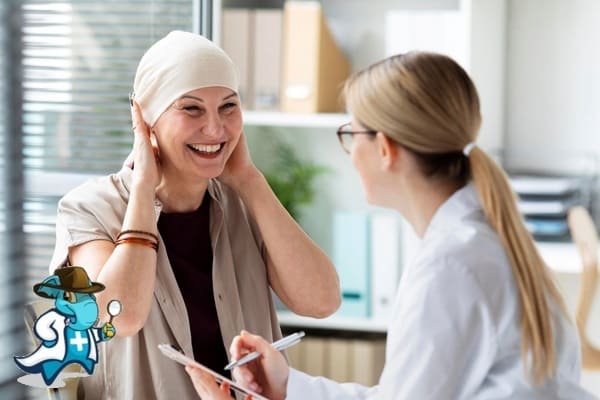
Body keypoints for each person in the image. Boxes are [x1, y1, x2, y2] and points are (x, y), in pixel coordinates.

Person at [187, 51, 595, 399]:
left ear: (385, 149)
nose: (350, 153)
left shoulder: (451, 267)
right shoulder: (481, 241)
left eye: (351, 134)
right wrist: (290, 384)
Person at [47, 30, 340, 399]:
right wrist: (142, 190)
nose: (215, 129)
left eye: (228, 107)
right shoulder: (91, 208)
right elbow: (120, 316)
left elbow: (322, 301)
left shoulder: (243, 202)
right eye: (191, 108)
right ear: (146, 120)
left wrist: (250, 180)